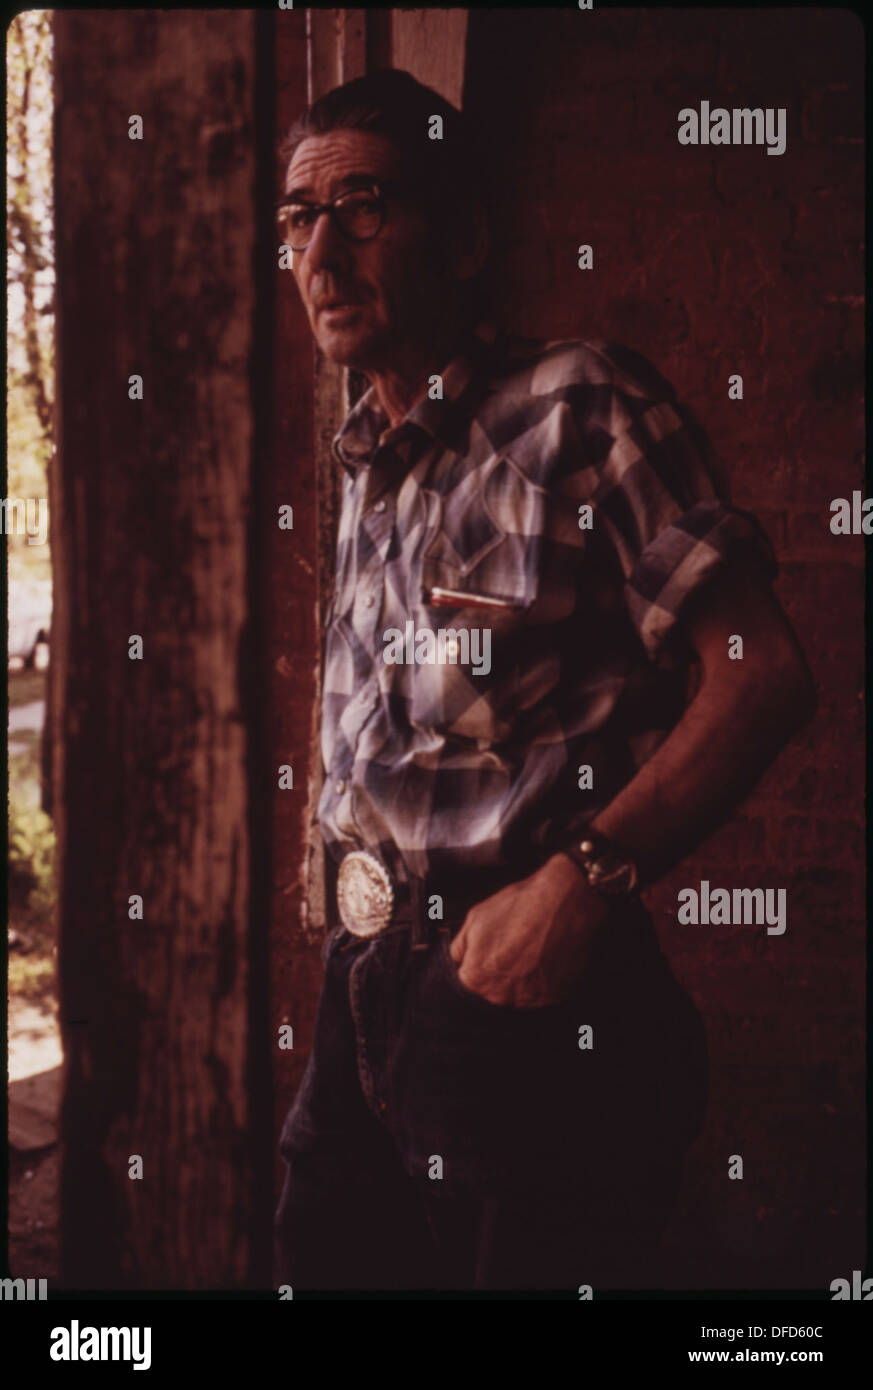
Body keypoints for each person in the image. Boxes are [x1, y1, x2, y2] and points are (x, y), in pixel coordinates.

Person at [273, 69, 816, 1292]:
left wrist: (583, 882)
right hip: (361, 988)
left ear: (463, 234)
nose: (320, 249)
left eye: (361, 205)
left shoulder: (577, 406)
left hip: (522, 1000)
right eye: (297, 219)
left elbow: (763, 674)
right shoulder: (364, 458)